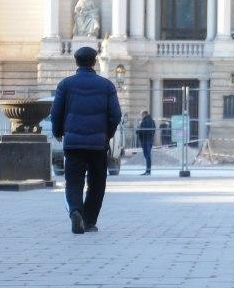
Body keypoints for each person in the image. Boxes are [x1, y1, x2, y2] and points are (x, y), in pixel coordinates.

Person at [51, 46, 121, 235]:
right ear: (94, 62)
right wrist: (107, 134)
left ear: (76, 62)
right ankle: (89, 220)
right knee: (97, 183)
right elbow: (116, 115)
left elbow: (55, 113)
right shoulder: (107, 86)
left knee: (74, 181)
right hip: (98, 144)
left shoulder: (65, 85)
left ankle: (75, 211)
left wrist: (58, 132)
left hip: (73, 144)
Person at [135, 110, 156, 175]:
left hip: (145, 140)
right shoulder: (151, 121)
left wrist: (137, 131)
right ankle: (148, 170)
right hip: (149, 139)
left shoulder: (144, 121)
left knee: (147, 155)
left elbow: (142, 130)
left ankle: (148, 170)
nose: (141, 116)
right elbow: (153, 130)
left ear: (144, 114)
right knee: (147, 155)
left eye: (142, 115)